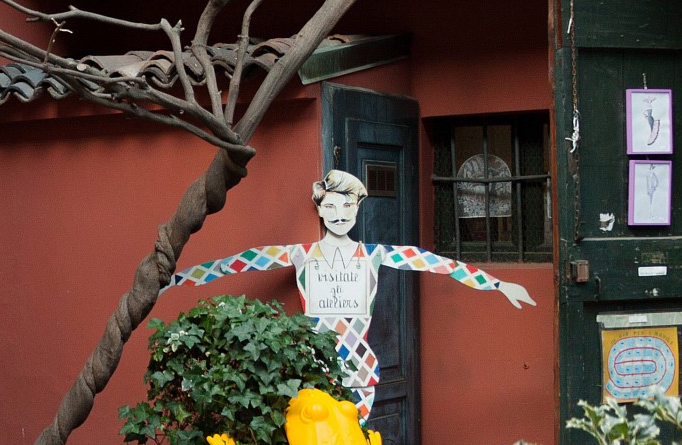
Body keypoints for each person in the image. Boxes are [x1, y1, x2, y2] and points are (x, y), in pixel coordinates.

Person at [170, 169, 535, 414]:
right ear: (320, 209)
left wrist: (499, 285)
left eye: (347, 205)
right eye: (331, 205)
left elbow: (433, 262)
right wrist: (175, 280)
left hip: (359, 367)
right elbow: (242, 262)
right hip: (312, 369)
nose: (339, 213)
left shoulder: (375, 255)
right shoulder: (301, 255)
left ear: (358, 208)